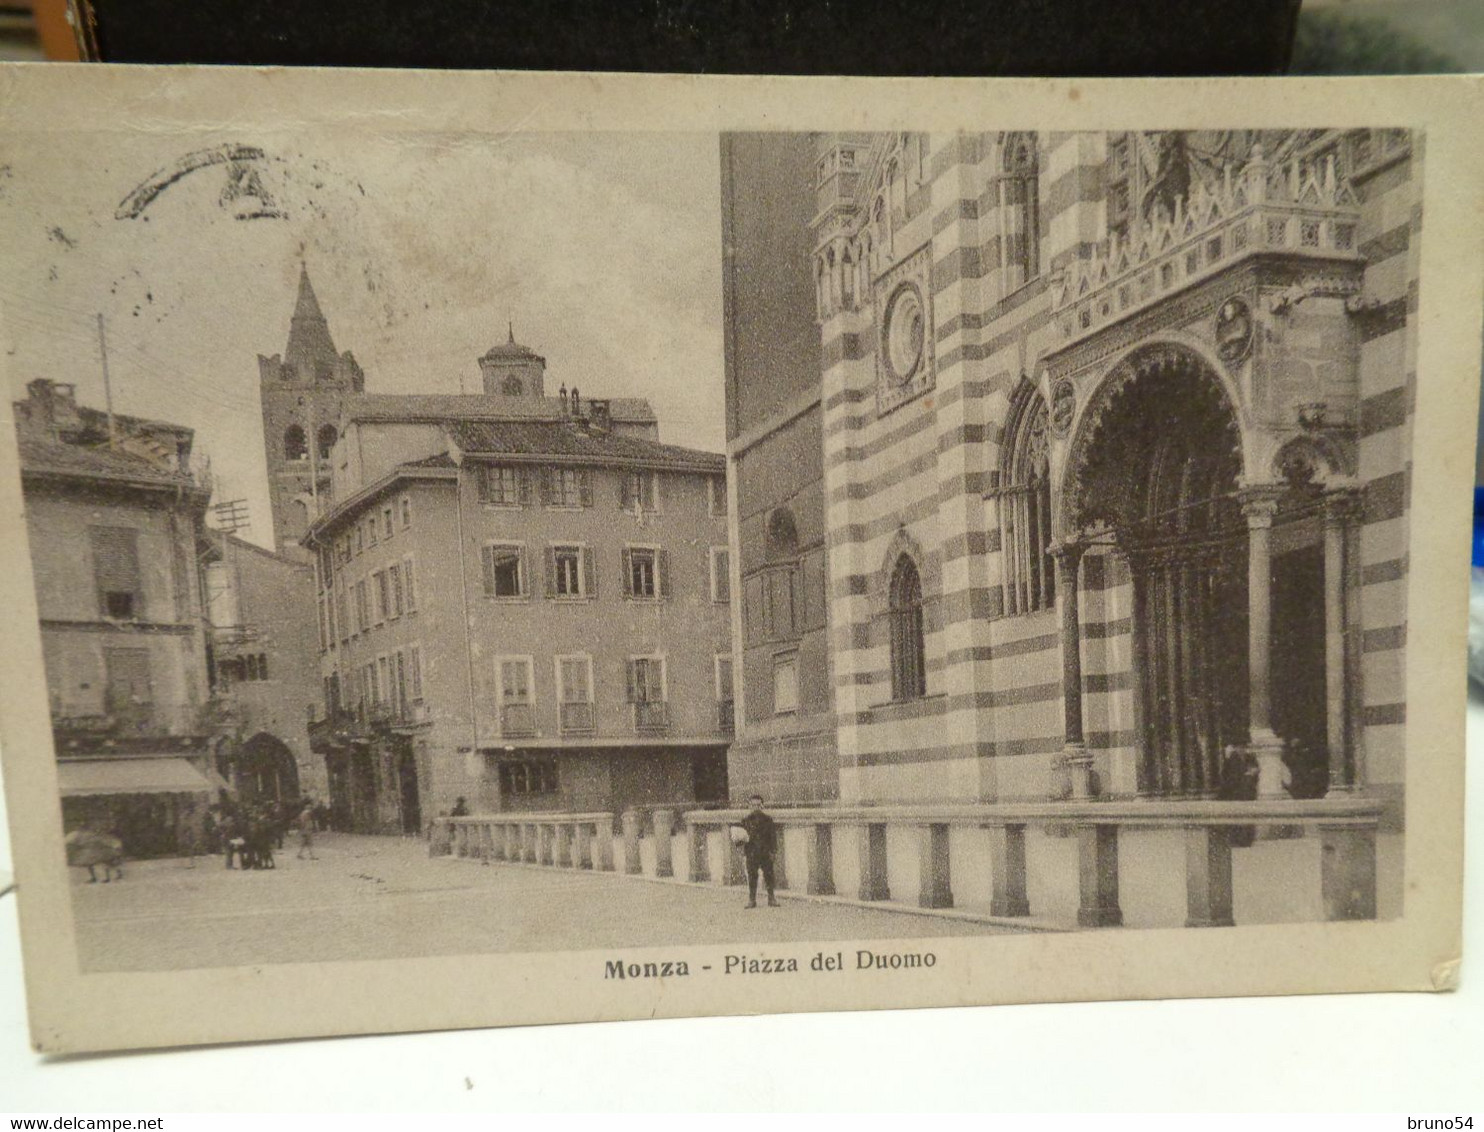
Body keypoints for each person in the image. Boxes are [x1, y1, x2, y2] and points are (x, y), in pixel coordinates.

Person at [739, 794, 779, 908]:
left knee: (769, 875)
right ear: (749, 806)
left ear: (762, 806)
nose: (756, 807)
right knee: (752, 876)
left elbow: (773, 837)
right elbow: (741, 838)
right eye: (753, 805)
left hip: (765, 852)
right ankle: (752, 900)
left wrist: (773, 851)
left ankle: (771, 898)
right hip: (751, 853)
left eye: (758, 805)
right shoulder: (745, 821)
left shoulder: (768, 820)